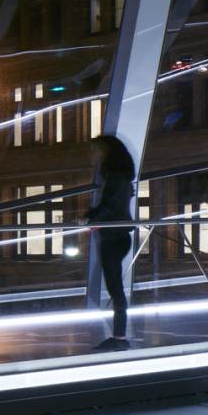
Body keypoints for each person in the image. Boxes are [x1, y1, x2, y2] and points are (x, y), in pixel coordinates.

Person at [87, 134, 137, 352]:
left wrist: (90, 217)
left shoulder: (115, 177)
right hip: (118, 235)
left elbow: (108, 205)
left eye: (97, 150)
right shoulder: (121, 176)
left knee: (115, 289)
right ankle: (119, 336)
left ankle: (119, 338)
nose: (94, 154)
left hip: (113, 237)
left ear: (107, 151)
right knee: (115, 288)